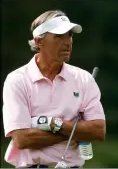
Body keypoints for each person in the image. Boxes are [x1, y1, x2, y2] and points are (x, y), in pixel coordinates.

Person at [2, 10, 106, 168]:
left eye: (70, 35)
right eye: (59, 36)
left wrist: (53, 124)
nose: (68, 42)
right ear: (38, 42)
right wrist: (76, 131)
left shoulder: (84, 78)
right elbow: (22, 139)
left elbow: (98, 131)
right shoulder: (17, 80)